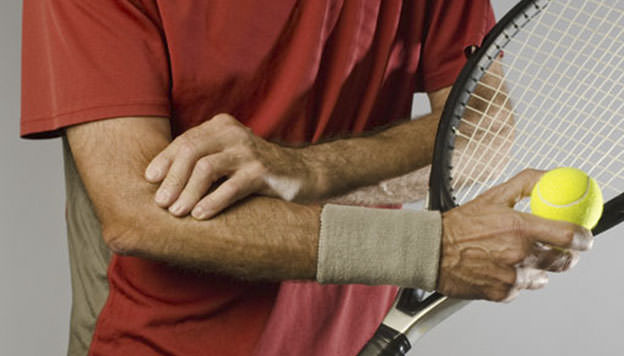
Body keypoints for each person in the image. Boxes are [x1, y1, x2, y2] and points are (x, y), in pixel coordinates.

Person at [21, 1, 593, 355]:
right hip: (152, 342)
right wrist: (431, 250)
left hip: (350, 338)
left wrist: (308, 169)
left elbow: (483, 127)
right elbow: (136, 213)